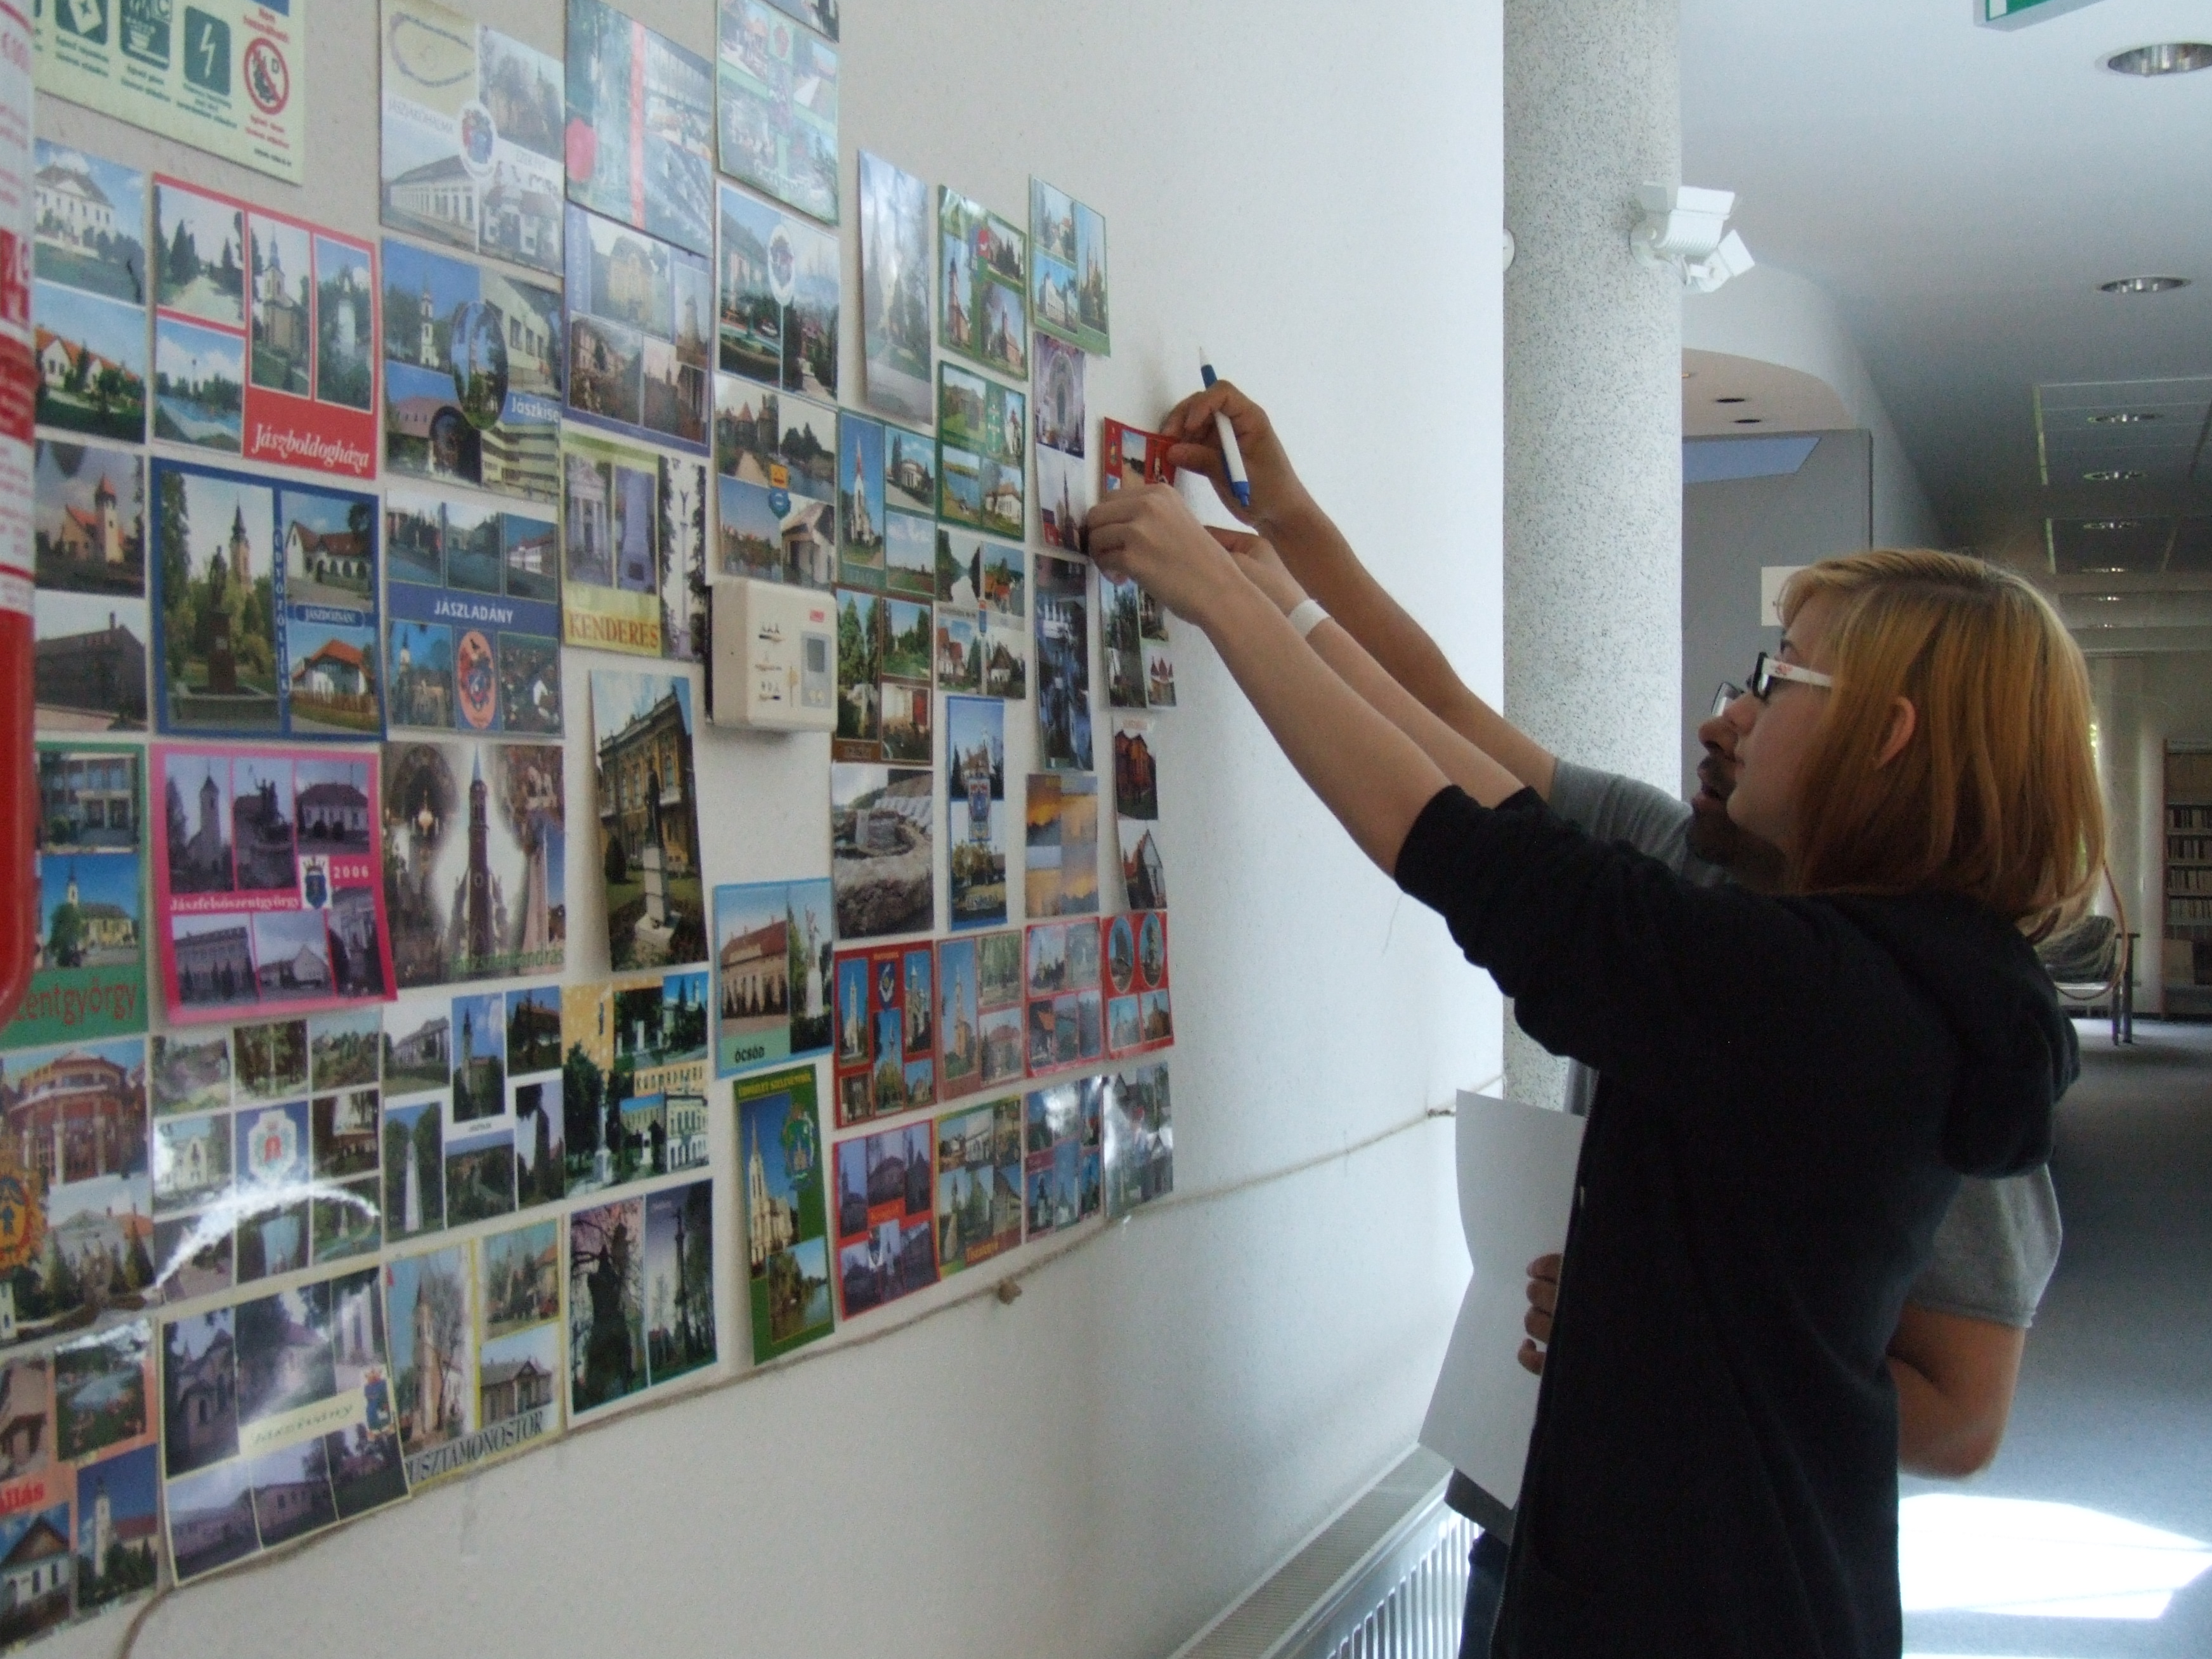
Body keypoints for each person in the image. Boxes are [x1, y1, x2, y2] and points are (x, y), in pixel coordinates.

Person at [1085, 392, 2100, 1658]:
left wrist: (1226, 603)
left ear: (1885, 738)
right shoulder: (1904, 981)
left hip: (1693, 1602)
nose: (1735, 710)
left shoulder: (1811, 991)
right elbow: (1480, 786)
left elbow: (1472, 853)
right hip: (1742, 1578)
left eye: (1780, 678)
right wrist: (1278, 596)